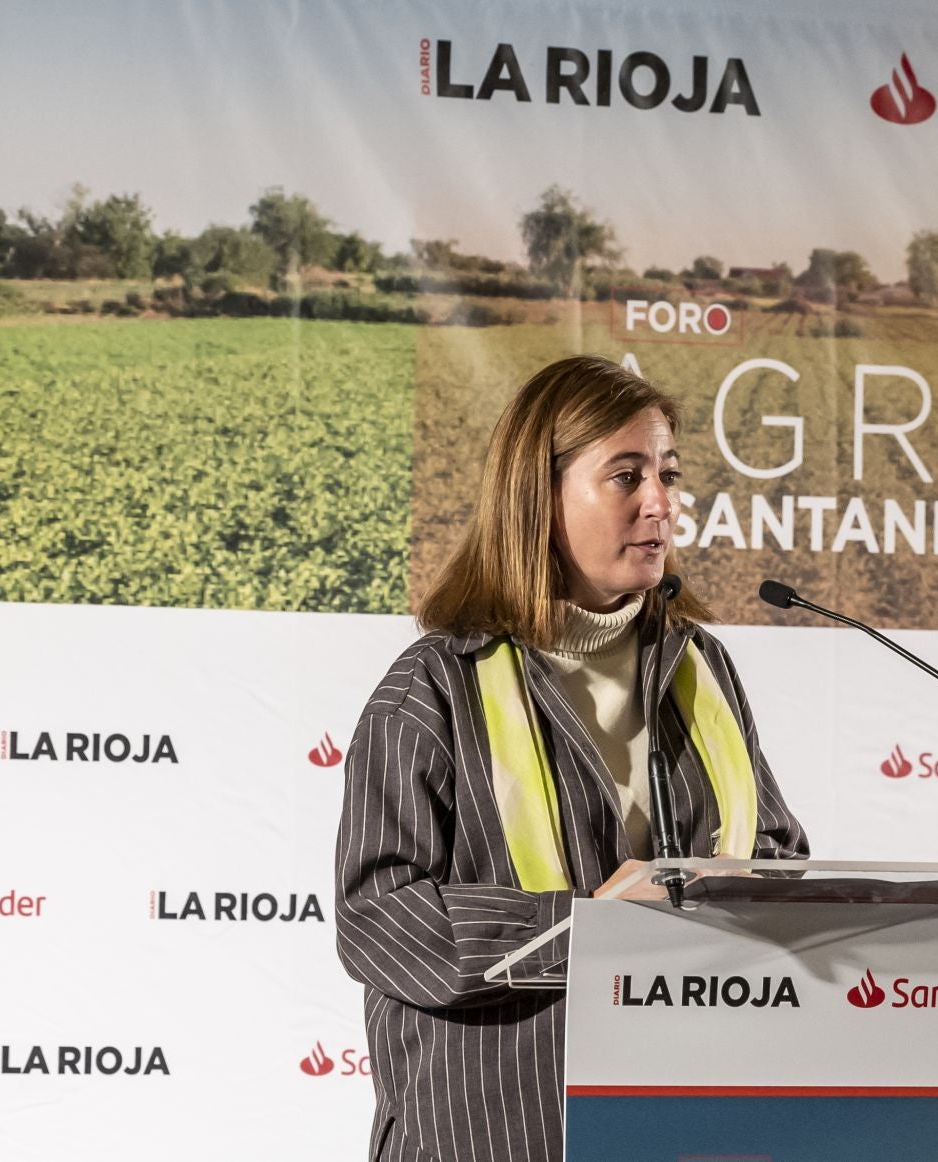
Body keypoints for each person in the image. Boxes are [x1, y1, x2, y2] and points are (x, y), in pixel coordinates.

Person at [334, 354, 808, 1162]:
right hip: (500, 1131)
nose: (660, 502)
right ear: (538, 498)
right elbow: (380, 920)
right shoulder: (435, 687)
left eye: (668, 473)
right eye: (625, 476)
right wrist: (590, 931)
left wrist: (764, 892)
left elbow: (777, 851)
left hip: (688, 1115)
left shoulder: (702, 666)